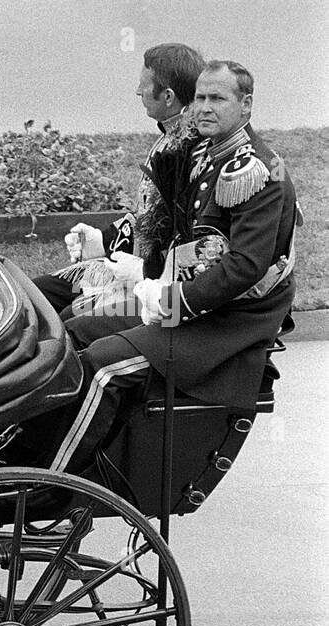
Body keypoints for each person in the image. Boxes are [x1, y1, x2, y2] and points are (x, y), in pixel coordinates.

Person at [45, 59, 299, 474]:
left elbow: (244, 267)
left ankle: (55, 480)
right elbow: (162, 226)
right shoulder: (203, 155)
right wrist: (116, 252)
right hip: (172, 302)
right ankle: (27, 449)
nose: (203, 107)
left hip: (224, 323)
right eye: (199, 97)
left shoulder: (258, 170)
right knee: (74, 333)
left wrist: (169, 298)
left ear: (246, 105)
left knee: (105, 365)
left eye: (217, 98)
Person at [32, 42, 206, 320]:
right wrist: (100, 240)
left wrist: (143, 271)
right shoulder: (170, 140)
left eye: (144, 85)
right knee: (34, 293)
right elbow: (147, 218)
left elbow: (186, 240)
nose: (138, 91)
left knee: (64, 319)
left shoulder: (188, 154)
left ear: (169, 96)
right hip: (135, 272)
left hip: (158, 289)